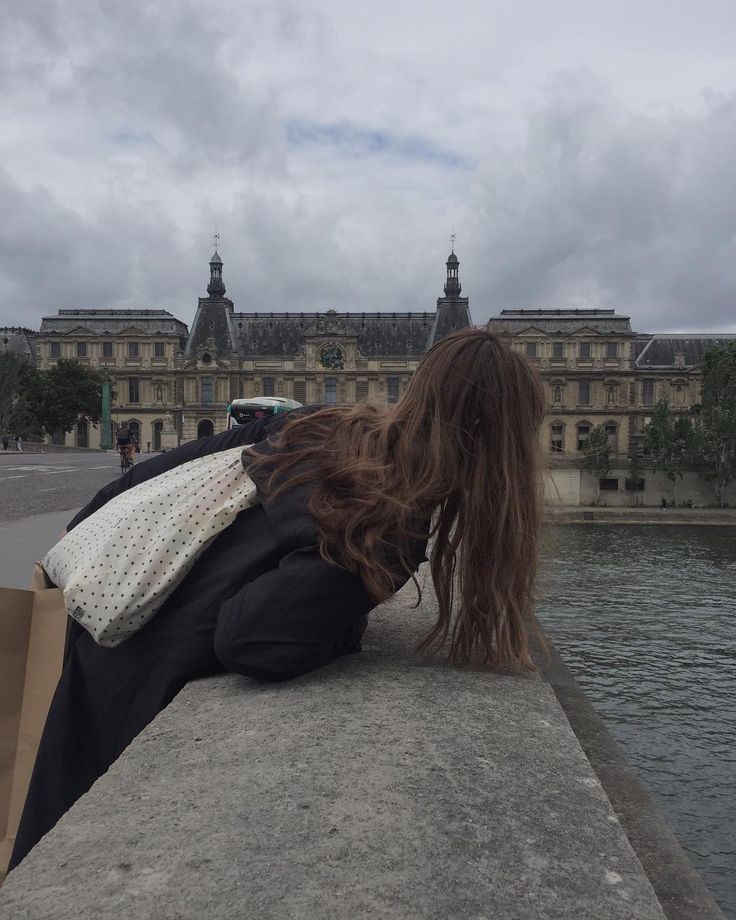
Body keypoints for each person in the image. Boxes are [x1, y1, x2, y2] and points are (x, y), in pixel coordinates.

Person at [9, 328, 545, 871]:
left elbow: (168, 467)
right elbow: (249, 639)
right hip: (137, 685)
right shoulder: (390, 527)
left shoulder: (321, 423)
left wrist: (80, 529)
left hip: (106, 630)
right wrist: (346, 630)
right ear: (497, 445)